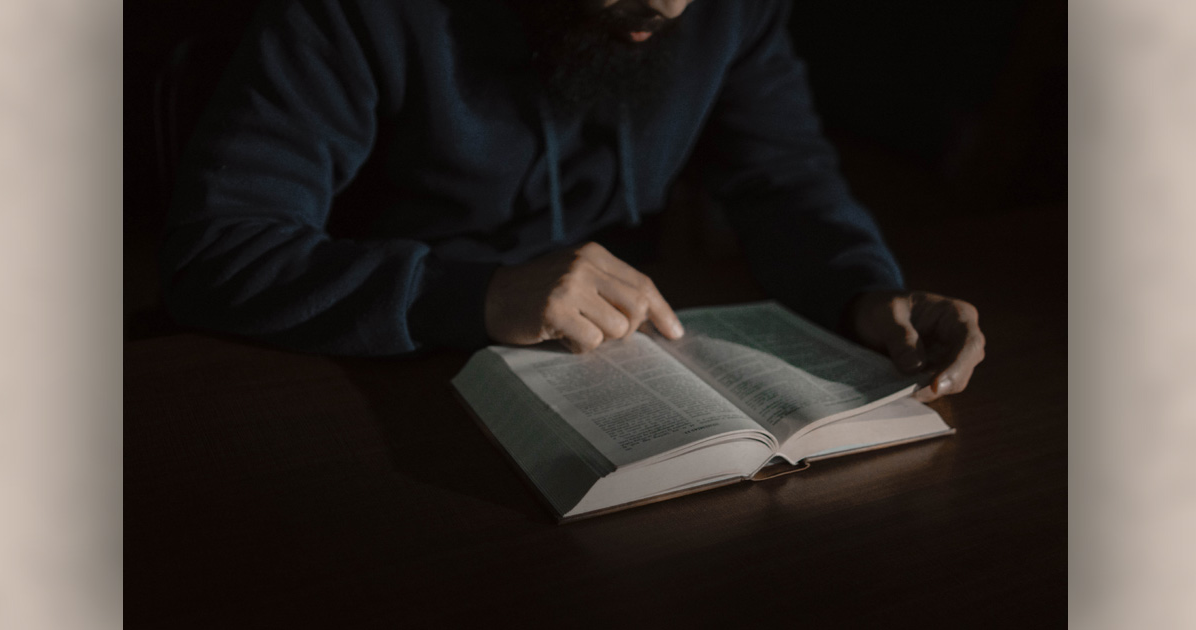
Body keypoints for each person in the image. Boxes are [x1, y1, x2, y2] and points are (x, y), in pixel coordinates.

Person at [163, 0, 984, 402]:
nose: (664, 12)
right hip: (373, 365)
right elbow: (220, 250)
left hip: (619, 369)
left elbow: (786, 181)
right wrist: (478, 293)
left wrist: (867, 295)